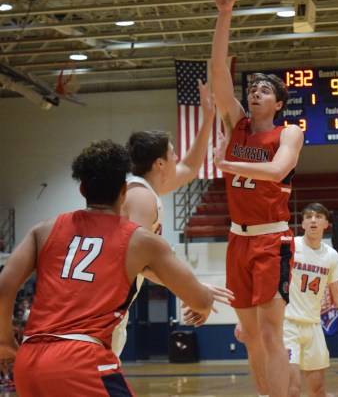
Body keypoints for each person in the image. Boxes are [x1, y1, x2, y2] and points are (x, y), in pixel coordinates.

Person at [0, 139, 214, 396]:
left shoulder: (42, 230)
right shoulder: (140, 240)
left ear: (82, 189)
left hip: (29, 362)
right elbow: (201, 299)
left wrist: (4, 339)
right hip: (82, 360)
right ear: (124, 191)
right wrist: (204, 304)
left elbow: (3, 288)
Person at [209, 0, 304, 397]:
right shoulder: (237, 124)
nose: (255, 93)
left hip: (271, 240)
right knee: (249, 336)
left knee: (269, 332)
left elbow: (278, 171)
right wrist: (224, 14)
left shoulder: (289, 133)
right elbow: (218, 73)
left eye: (265, 90)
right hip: (237, 239)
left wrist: (226, 163)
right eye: (253, 89)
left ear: (278, 103)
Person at [114, 80, 232, 358]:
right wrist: (192, 289)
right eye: (172, 153)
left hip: (116, 301)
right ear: (159, 164)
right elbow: (139, 260)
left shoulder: (145, 188)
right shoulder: (141, 197)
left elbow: (191, 166)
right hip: (108, 301)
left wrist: (208, 119)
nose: (177, 157)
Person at [285, 203, 338, 397]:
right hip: (287, 324)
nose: (313, 220)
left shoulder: (331, 255)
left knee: (318, 390)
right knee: (291, 390)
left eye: (318, 216)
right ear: (302, 223)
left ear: (326, 224)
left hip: (313, 325)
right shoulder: (290, 246)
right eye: (308, 217)